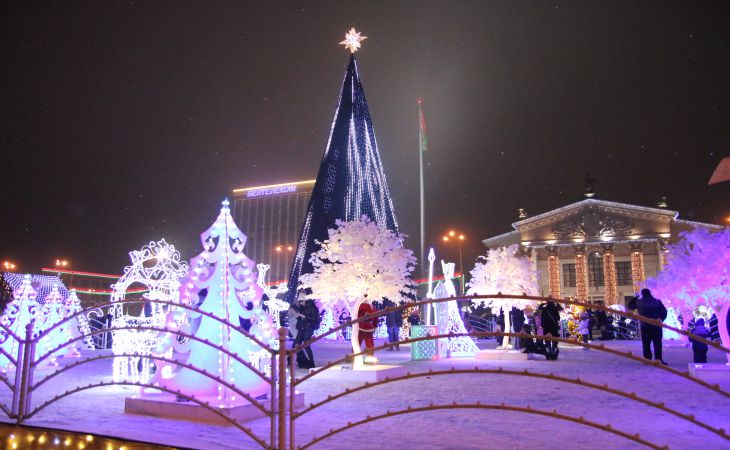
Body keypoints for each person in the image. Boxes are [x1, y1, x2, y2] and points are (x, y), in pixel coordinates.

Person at [628, 288, 668, 365]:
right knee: (657, 344)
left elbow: (630, 306)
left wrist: (636, 296)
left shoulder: (639, 302)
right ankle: (658, 359)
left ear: (642, 294)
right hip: (656, 325)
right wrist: (661, 319)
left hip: (645, 326)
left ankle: (647, 359)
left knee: (646, 344)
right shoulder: (657, 301)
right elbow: (664, 311)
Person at [293, 297, 319, 369]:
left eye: (301, 301)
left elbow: (314, 318)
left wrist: (304, 316)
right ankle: (302, 360)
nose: (301, 303)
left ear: (305, 300)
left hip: (309, 327)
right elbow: (300, 318)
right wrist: (299, 317)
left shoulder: (312, 307)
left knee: (306, 344)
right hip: (302, 327)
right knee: (296, 345)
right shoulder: (302, 307)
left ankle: (311, 362)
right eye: (299, 302)